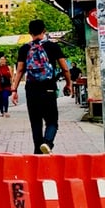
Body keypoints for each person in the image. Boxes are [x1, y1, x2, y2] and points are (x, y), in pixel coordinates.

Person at [11, 19, 71, 154]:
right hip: (48, 89)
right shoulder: (53, 46)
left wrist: (14, 90)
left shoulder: (24, 49)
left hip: (31, 90)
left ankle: (38, 154)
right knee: (52, 122)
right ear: (44, 31)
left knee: (36, 123)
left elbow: (20, 70)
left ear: (29, 33)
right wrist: (68, 84)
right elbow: (65, 68)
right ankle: (47, 142)